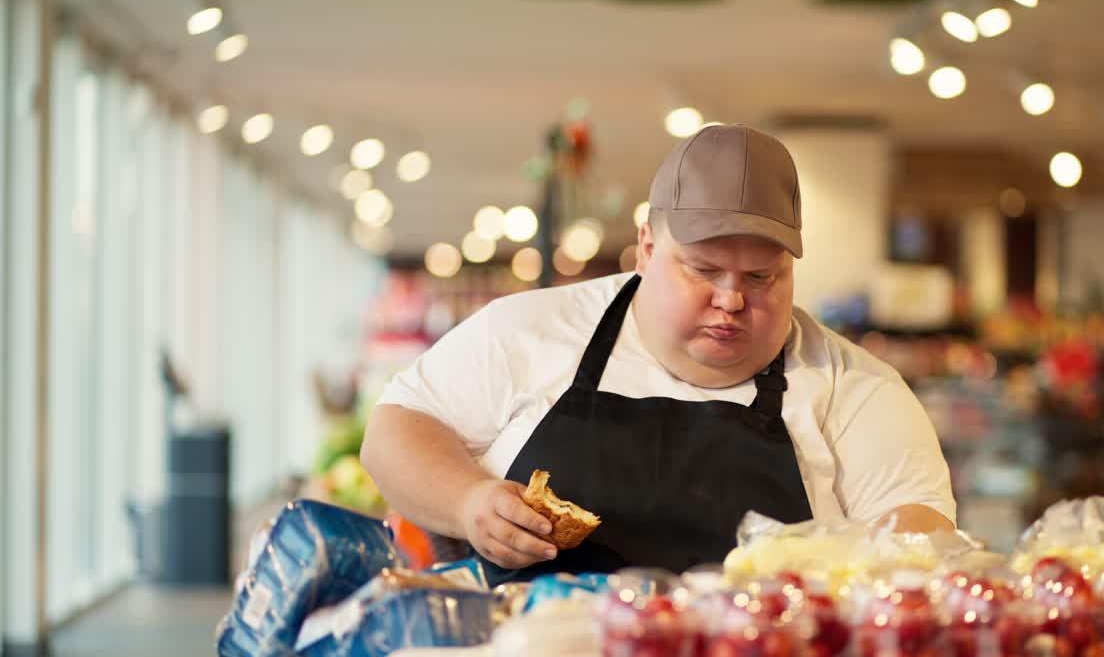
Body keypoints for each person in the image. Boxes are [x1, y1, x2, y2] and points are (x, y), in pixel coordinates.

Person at [362, 123, 955, 585]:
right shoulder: (528, 331)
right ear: (646, 248)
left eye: (761, 277)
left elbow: (919, 549)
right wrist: (468, 501)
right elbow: (395, 429)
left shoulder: (860, 393)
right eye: (703, 269)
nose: (731, 299)